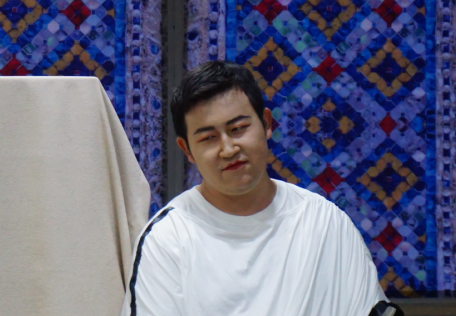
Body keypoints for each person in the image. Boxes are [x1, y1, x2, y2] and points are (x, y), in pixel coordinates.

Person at [120, 61, 403, 316]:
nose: (228, 149)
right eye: (208, 138)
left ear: (266, 123)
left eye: (238, 128)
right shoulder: (166, 240)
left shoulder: (325, 224)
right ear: (187, 150)